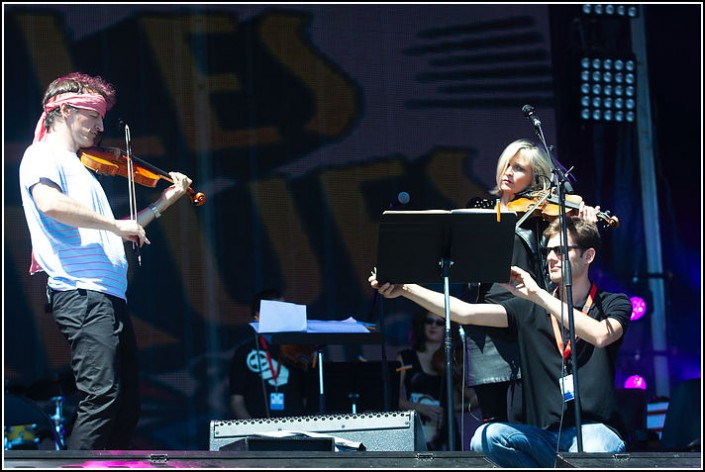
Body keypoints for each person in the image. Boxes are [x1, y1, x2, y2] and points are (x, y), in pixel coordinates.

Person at [18, 72, 193, 450]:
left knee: (126, 404)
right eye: (93, 116)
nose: (100, 127)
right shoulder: (42, 155)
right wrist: (116, 223)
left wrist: (168, 199)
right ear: (64, 110)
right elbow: (50, 204)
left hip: (107, 295)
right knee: (102, 397)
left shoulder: (81, 167)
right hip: (81, 293)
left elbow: (124, 228)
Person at [370, 216, 630, 467]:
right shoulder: (528, 308)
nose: (551, 258)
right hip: (546, 436)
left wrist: (538, 294)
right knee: (486, 437)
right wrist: (405, 288)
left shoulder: (612, 303)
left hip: (596, 431)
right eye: (547, 251)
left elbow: (600, 334)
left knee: (591, 448)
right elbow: (464, 312)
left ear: (588, 256)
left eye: (561, 250)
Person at [465, 138, 599, 424]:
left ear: (535, 179)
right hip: (487, 318)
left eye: (519, 168)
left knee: (528, 416)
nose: (509, 172)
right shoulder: (480, 207)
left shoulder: (543, 217)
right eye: (507, 165)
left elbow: (568, 256)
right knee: (494, 419)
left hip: (527, 314)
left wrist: (583, 225)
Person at [228, 289, 310, 419]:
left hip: (297, 431)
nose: (283, 315)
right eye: (277, 310)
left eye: (285, 310)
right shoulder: (244, 351)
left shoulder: (299, 350)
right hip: (257, 430)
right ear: (258, 314)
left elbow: (308, 396)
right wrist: (250, 429)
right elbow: (237, 399)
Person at [397, 309, 470, 450]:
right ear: (421, 325)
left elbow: (460, 403)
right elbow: (392, 398)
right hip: (416, 426)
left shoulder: (453, 360)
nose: (433, 326)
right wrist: (420, 408)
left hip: (445, 430)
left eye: (440, 323)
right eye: (429, 321)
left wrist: (462, 406)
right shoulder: (406, 357)